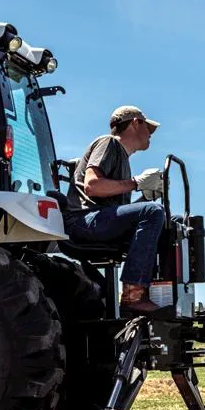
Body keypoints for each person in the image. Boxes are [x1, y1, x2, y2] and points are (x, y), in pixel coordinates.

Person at [64, 105, 166, 315]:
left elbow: (115, 208)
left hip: (97, 220)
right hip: (84, 221)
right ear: (135, 123)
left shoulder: (122, 158)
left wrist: (144, 195)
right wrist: (136, 183)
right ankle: (133, 295)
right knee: (153, 212)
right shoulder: (109, 143)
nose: (151, 135)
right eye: (149, 128)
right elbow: (93, 186)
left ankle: (158, 292)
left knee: (166, 221)